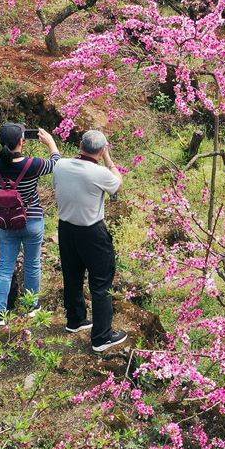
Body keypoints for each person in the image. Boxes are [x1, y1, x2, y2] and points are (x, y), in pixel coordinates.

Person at [52, 130, 128, 352]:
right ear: (102, 150)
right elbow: (117, 183)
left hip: (66, 229)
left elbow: (56, 161)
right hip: (92, 232)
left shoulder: (61, 166)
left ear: (80, 145)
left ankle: (75, 320)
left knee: (72, 275)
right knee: (101, 283)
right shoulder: (99, 173)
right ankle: (102, 338)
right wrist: (109, 159)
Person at [0, 123, 60, 328]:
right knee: (32, 264)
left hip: (6, 222)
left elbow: (5, 162)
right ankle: (31, 306)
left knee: (5, 266)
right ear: (21, 141)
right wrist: (52, 144)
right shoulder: (33, 164)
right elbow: (56, 163)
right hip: (32, 220)